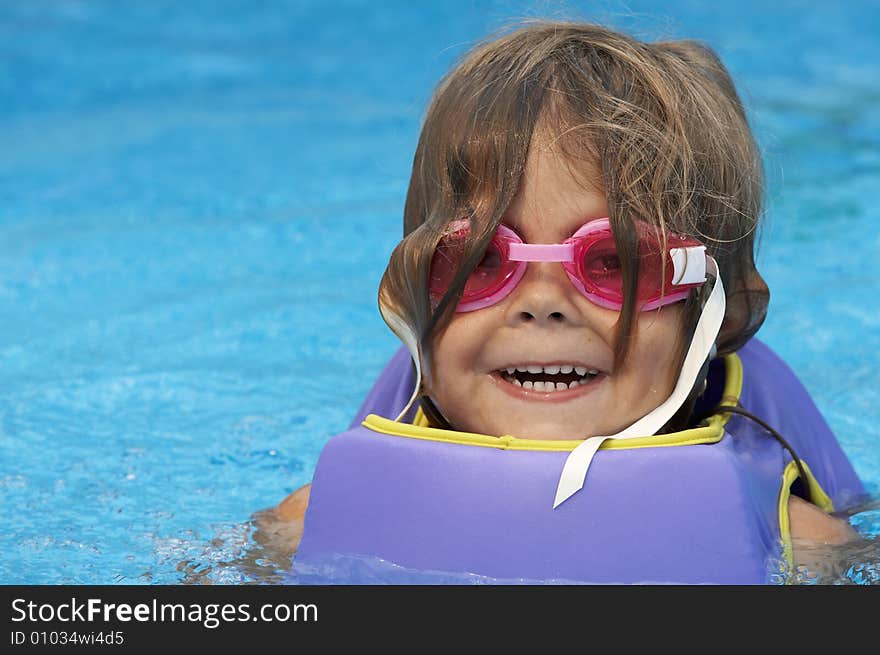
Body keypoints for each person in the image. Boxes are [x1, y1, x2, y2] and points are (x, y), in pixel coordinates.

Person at [258, 21, 863, 582]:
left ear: (719, 315)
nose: (542, 303)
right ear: (414, 289)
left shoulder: (794, 545)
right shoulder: (312, 521)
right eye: (479, 260)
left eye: (616, 262)